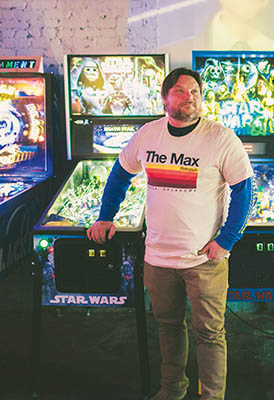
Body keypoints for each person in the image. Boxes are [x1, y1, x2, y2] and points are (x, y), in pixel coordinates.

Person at [87, 67, 254, 400]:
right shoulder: (148, 135)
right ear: (165, 97)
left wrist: (227, 239)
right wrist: (106, 217)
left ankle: (213, 396)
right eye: (180, 91)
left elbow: (245, 190)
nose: (189, 97)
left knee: (209, 333)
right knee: (168, 327)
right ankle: (172, 390)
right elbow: (119, 176)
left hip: (203, 259)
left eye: (195, 92)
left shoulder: (220, 138)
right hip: (158, 258)